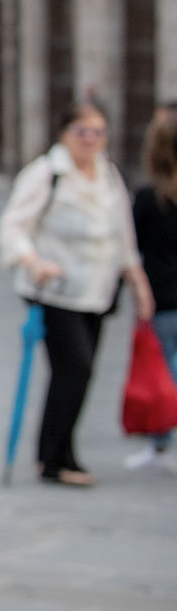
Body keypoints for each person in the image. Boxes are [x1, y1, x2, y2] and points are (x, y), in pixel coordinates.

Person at [0, 102, 156, 486]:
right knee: (76, 366)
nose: (91, 140)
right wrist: (32, 261)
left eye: (98, 132)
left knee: (79, 373)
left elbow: (122, 234)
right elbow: (13, 225)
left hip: (97, 290)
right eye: (82, 132)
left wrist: (137, 281)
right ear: (64, 134)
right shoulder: (46, 174)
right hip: (54, 289)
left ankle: (61, 451)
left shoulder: (107, 175)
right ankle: (53, 459)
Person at [126, 112, 177, 470]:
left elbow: (131, 250)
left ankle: (159, 444)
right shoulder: (146, 199)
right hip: (162, 301)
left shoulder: (146, 199)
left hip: (160, 300)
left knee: (163, 375)